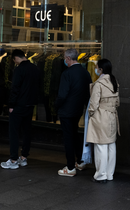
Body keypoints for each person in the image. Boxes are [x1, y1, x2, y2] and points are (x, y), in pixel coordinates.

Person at [53, 49, 92, 177]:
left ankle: (70, 167)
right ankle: (80, 161)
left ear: (68, 58)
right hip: (78, 109)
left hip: (66, 110)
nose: (64, 60)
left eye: (65, 57)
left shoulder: (67, 73)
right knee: (75, 135)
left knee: (68, 138)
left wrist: (56, 106)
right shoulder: (85, 73)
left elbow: (62, 94)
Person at [1, 49, 42, 169]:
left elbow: (15, 88)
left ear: (15, 58)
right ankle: (24, 157)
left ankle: (13, 160)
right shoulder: (35, 68)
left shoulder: (19, 70)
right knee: (26, 131)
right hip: (30, 104)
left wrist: (11, 105)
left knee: (14, 132)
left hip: (19, 105)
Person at [87, 59, 120, 183]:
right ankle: (110, 174)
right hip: (112, 116)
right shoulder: (114, 81)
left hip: (100, 116)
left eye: (97, 67)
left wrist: (91, 114)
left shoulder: (99, 84)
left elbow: (93, 104)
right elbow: (117, 102)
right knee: (111, 144)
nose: (96, 69)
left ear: (101, 69)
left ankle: (101, 175)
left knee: (100, 146)